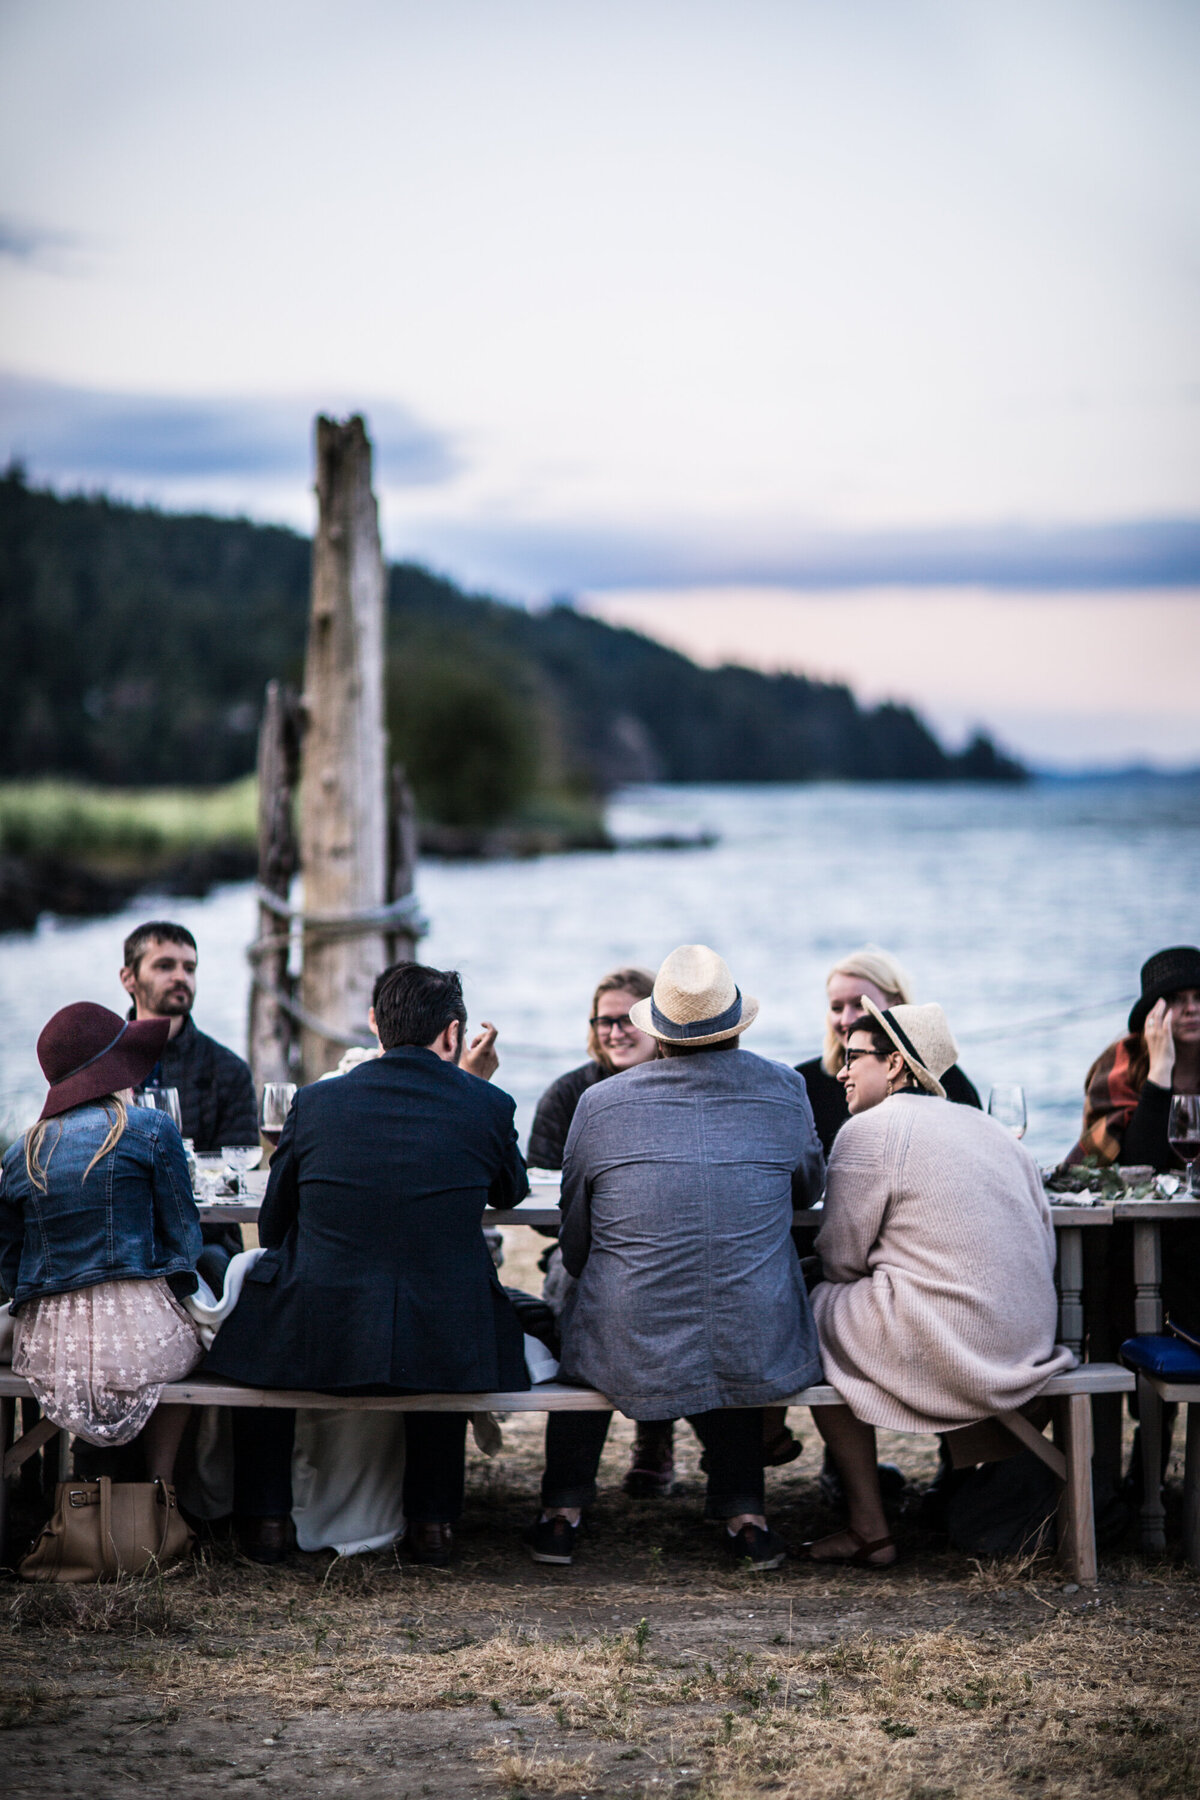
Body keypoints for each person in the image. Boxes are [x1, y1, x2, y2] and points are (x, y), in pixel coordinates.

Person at [203, 961, 530, 1565]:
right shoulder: (487, 1103)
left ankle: (267, 1523)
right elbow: (511, 1192)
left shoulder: (317, 1103)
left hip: (322, 1331)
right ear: (453, 1034)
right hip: (448, 1341)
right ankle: (433, 1527)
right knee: (438, 1304)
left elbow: (272, 1226)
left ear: (376, 1024)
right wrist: (473, 1085)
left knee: (250, 1338)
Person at [527, 944, 825, 1571]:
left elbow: (575, 1240)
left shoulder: (600, 1104)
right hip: (758, 1334)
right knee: (735, 1303)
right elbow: (807, 1188)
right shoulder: (786, 1089)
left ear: (656, 1034)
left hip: (629, 1336)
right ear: (737, 1028)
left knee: (589, 1302)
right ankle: (747, 1513)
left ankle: (563, 1509)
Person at [806, 999, 1072, 1566]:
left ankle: (867, 1526)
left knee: (807, 1312)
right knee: (875, 1297)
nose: (842, 1071)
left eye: (855, 1057)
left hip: (953, 1347)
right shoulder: (995, 1130)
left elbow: (841, 1261)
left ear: (897, 1066)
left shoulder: (868, 1130)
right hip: (1024, 1343)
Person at [0, 1003, 203, 1489]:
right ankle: (163, 1488)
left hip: (48, 1346)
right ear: (114, 1069)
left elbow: (10, 1270)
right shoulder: (151, 1129)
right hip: (140, 1338)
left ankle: (43, 1486)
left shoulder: (19, 1152)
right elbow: (185, 1243)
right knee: (203, 1348)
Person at [530, 966, 683, 1497]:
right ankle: (569, 1487)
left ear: (658, 1024)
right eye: (603, 1021)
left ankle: (654, 1442)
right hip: (579, 1252)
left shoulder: (682, 1091)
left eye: (626, 1020)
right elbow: (536, 1197)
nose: (614, 1032)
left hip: (668, 1252)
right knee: (579, 1294)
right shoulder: (568, 1094)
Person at [120, 920, 259, 1287]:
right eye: (165, 965)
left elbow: (236, 1172)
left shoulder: (227, 1070)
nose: (181, 977)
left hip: (204, 1238)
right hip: (114, 1236)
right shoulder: (103, 1061)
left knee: (217, 1270)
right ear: (128, 978)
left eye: (189, 967)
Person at [796, 946, 981, 1157]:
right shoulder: (803, 1084)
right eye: (837, 1008)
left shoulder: (947, 1080)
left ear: (896, 1005)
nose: (846, 1020)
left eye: (859, 1005)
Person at [1068, 945, 1200, 1173]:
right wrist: (1160, 1073)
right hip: (1142, 1208)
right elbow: (1137, 1166)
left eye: (1199, 997)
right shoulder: (1121, 1063)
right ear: (1153, 1011)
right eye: (1176, 999)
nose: (1191, 1009)